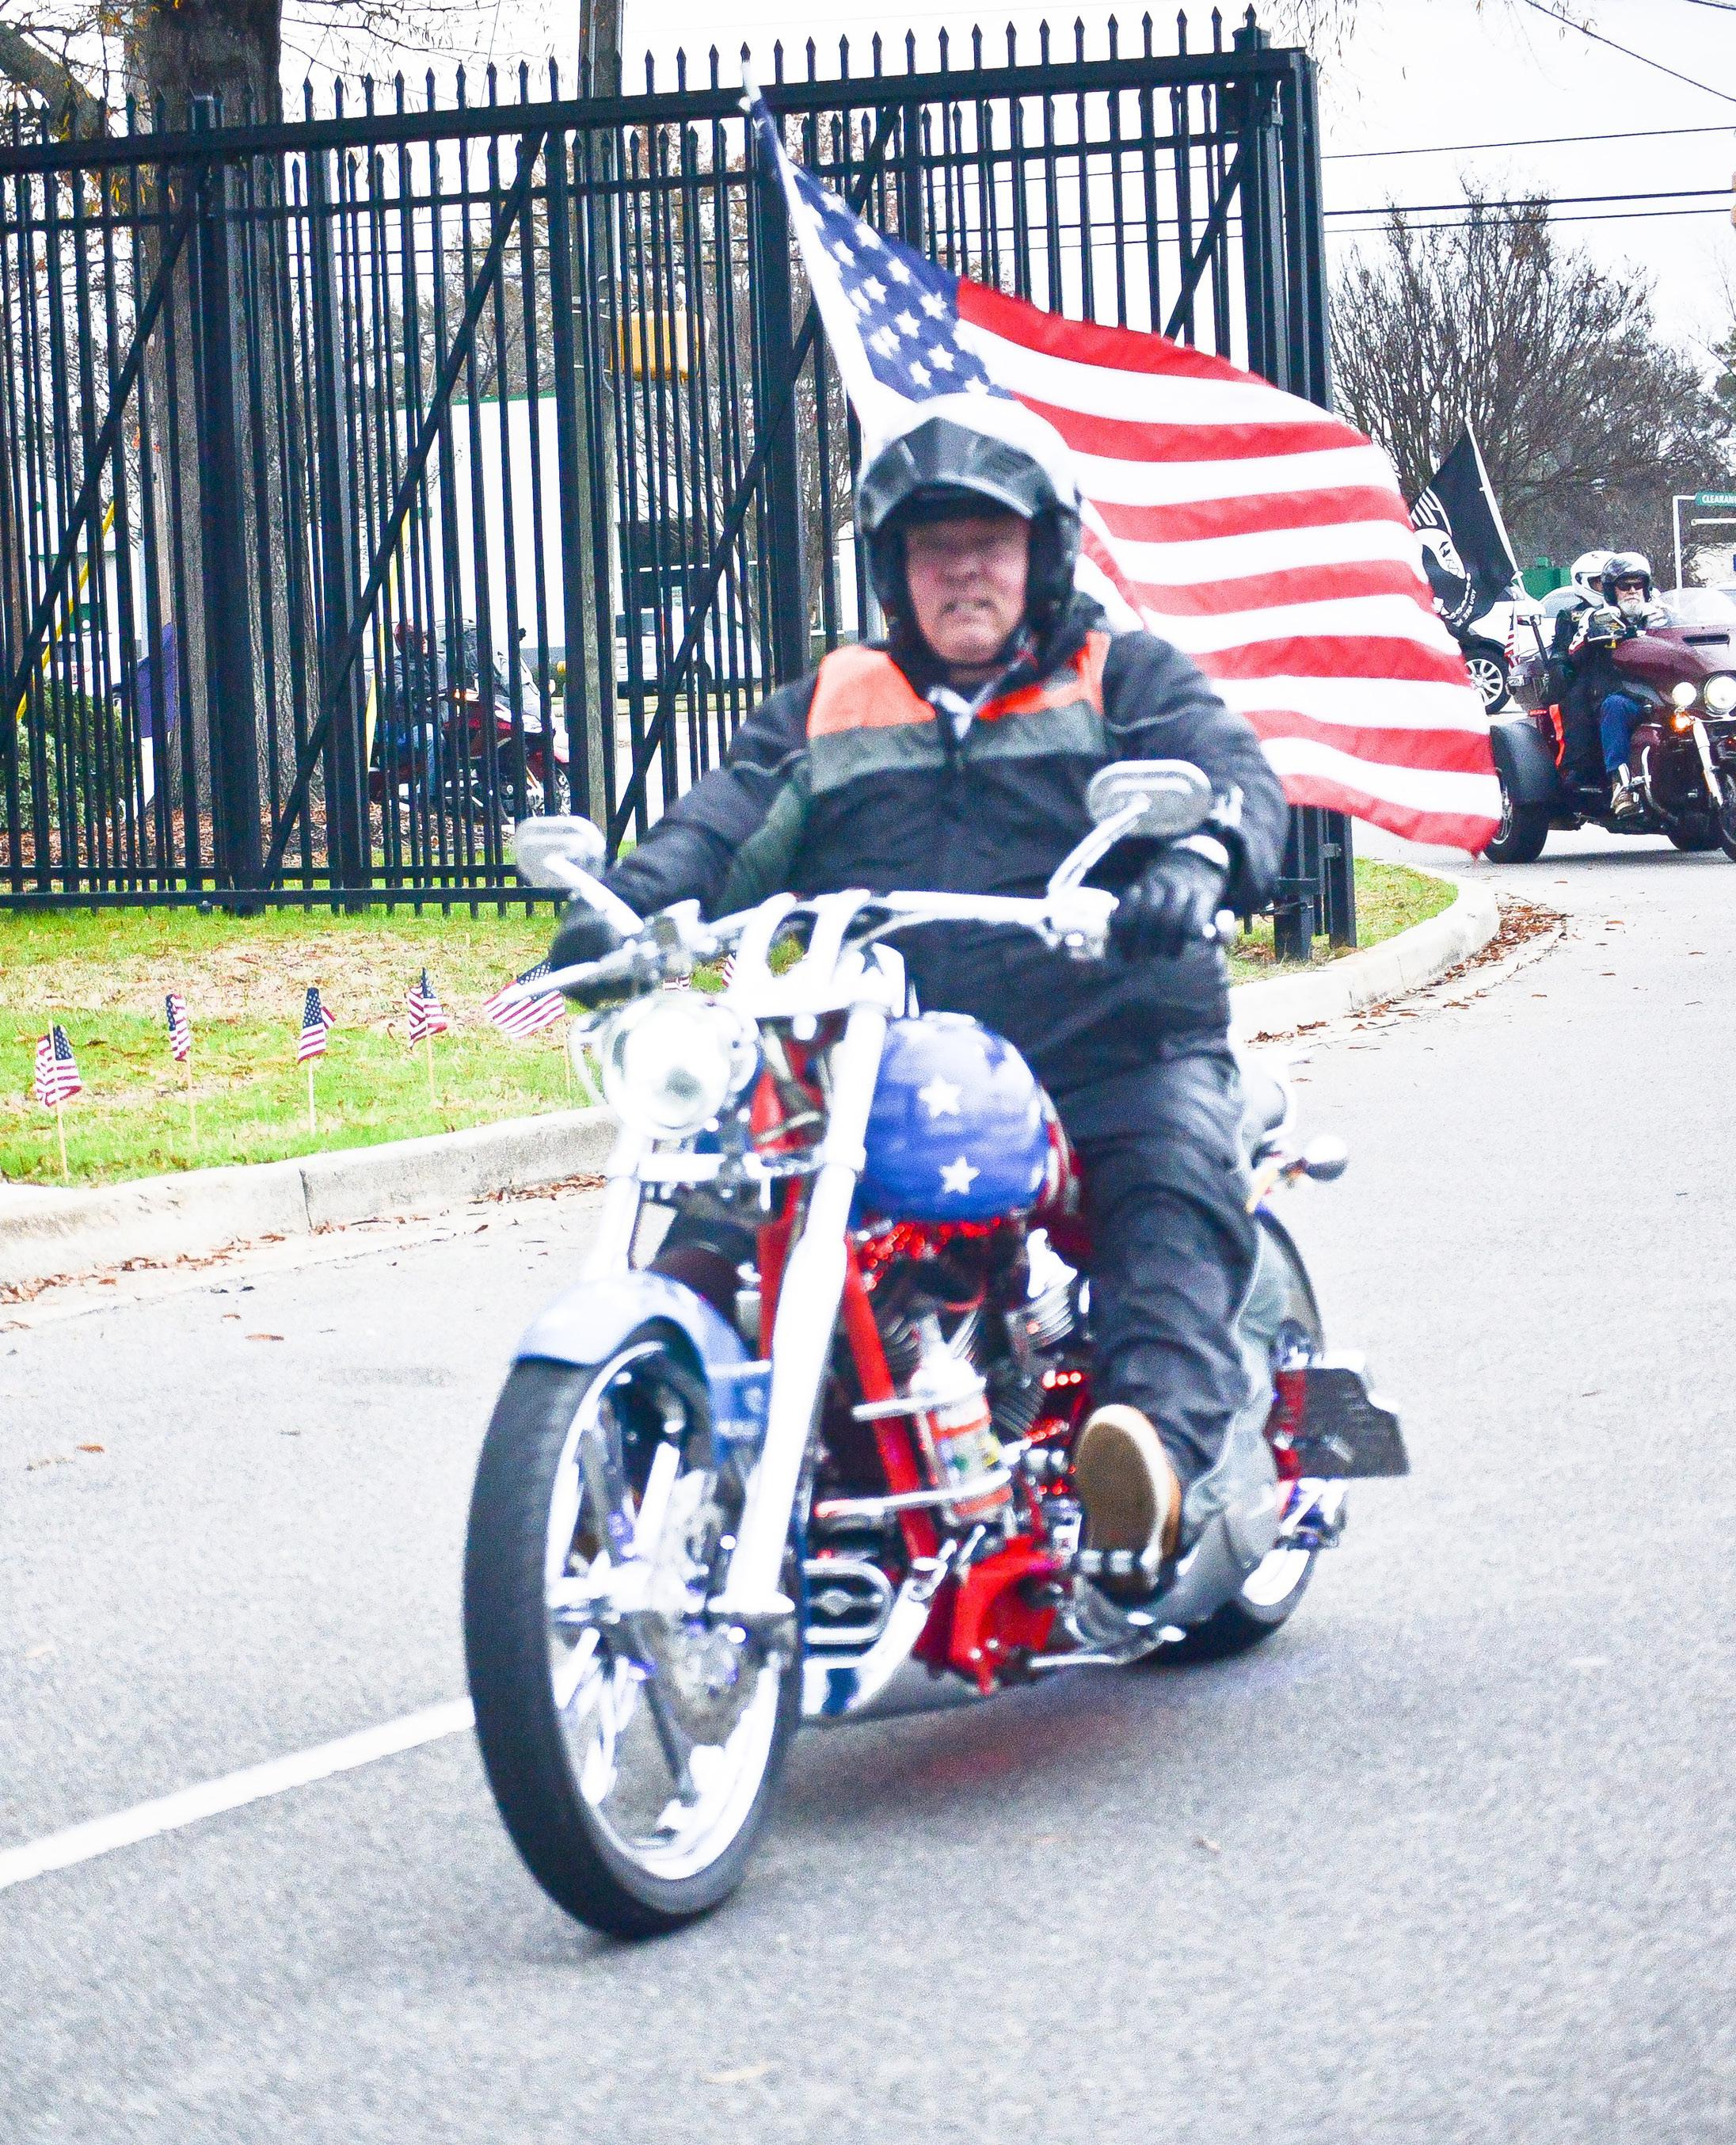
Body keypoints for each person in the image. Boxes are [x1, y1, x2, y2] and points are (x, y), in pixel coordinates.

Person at [550, 399, 1289, 1595]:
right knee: (730, 1213)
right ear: (894, 570)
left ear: (1045, 553)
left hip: (1112, 1043)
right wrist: (627, 911)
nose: (963, 571)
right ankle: (616, 1455)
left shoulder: (1121, 676)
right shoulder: (835, 701)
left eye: (989, 541)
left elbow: (1232, 774)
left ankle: (1145, 1463)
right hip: (884, 1060)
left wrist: (1199, 860)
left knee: (1166, 1195)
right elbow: (720, 826)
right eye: (933, 548)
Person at [1574, 551, 1668, 817]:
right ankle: (1621, 785)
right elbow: (1575, 652)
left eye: (1638, 585)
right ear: (1611, 590)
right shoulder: (1596, 617)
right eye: (1625, 586)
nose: (1632, 591)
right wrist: (1597, 634)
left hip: (1665, 694)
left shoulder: (1661, 615)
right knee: (1614, 706)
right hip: (1621, 693)